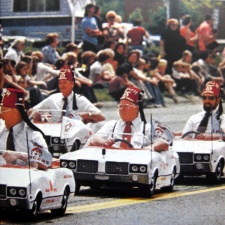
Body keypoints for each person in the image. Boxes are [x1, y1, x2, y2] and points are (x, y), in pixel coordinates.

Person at [88, 86, 174, 150]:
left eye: (126, 106)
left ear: (136, 108)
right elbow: (95, 138)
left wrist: (148, 149)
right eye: (120, 106)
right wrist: (105, 142)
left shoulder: (147, 127)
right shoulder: (111, 125)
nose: (122, 109)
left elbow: (164, 142)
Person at [28, 66, 105, 124]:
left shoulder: (80, 100)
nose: (62, 85)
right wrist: (37, 115)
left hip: (73, 132)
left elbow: (101, 117)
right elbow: (32, 111)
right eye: (60, 83)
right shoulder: (53, 98)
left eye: (65, 82)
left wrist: (85, 115)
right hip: (54, 132)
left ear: (72, 84)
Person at [0, 88, 52, 170]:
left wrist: (21, 156)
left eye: (2, 112)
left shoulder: (33, 135)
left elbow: (46, 162)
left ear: (14, 112)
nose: (0, 116)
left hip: (24, 180)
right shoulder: (1, 132)